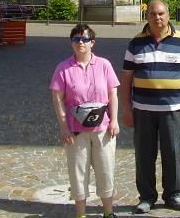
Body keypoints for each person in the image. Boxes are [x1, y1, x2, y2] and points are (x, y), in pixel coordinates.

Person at [120, 0, 180, 214]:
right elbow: (126, 78)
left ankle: (174, 194)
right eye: (153, 14)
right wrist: (126, 109)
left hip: (173, 109)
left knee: (172, 153)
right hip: (143, 110)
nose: (157, 17)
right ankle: (146, 197)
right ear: (148, 17)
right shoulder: (135, 43)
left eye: (161, 13)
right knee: (144, 155)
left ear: (168, 15)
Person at [50, 24, 120, 218]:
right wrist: (63, 127)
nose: (80, 42)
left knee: (106, 170)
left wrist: (114, 120)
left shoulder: (104, 65)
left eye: (84, 39)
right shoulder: (63, 68)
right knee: (78, 173)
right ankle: (80, 214)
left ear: (92, 42)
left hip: (103, 129)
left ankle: (108, 213)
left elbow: (112, 94)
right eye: (76, 39)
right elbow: (57, 99)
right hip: (75, 130)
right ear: (71, 43)